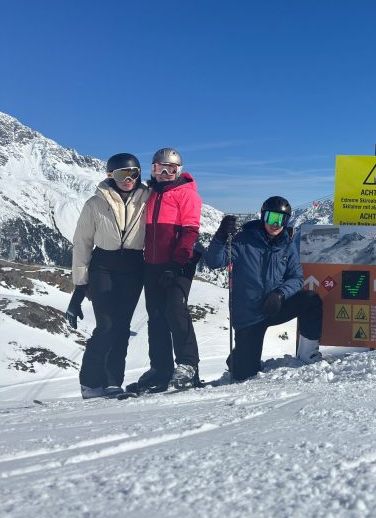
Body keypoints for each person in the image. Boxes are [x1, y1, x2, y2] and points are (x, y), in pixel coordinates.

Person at [203, 196, 323, 382]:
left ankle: (308, 354)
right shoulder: (243, 241)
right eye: (271, 217)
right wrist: (220, 237)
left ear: (286, 221)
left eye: (281, 219)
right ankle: (239, 356)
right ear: (263, 216)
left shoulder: (287, 245)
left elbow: (296, 278)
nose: (275, 224)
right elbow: (214, 262)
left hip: (275, 306)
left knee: (311, 300)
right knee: (244, 375)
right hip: (249, 315)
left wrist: (280, 294)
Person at [69, 153, 149, 398]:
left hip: (134, 267)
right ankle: (90, 383)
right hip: (103, 265)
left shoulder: (148, 199)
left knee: (122, 327)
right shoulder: (95, 203)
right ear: (110, 175)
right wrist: (80, 285)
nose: (128, 179)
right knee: (106, 326)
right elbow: (82, 243)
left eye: (133, 173)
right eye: (122, 174)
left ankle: (114, 381)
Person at [130, 148, 202, 393]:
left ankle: (188, 365)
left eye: (170, 169)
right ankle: (160, 368)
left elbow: (190, 231)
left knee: (175, 310)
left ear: (178, 171)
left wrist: (176, 263)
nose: (164, 173)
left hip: (179, 264)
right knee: (156, 315)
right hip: (152, 263)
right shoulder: (150, 193)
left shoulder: (186, 194)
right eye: (159, 168)